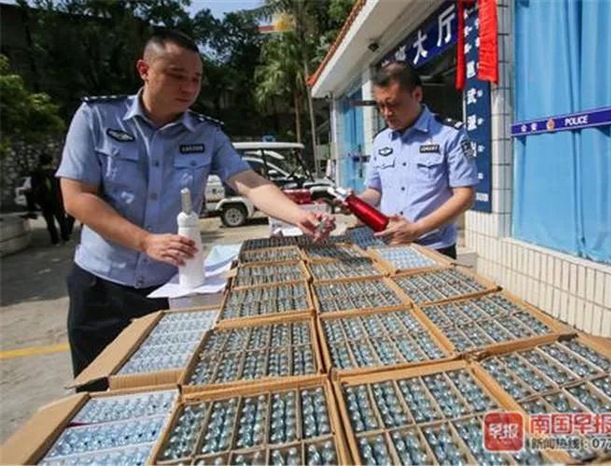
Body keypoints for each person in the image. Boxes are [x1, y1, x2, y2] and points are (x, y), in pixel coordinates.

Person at [57, 30, 335, 386]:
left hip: (168, 287)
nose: (189, 87)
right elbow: (77, 197)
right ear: (144, 70)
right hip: (101, 289)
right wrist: (145, 241)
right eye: (176, 75)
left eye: (196, 79)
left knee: (164, 386)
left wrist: (299, 216)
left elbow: (248, 181)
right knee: (96, 389)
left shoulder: (206, 133)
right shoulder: (97, 118)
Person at [354, 61, 478, 259]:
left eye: (393, 104)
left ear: (417, 95)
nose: (386, 113)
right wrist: (355, 202)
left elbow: (465, 196)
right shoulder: (381, 140)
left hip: (435, 249)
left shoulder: (449, 135)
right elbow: (375, 191)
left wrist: (417, 229)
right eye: (380, 106)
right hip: (389, 246)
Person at [31, 153, 72, 244]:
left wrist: (36, 201)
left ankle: (55, 240)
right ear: (50, 161)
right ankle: (66, 238)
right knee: (61, 220)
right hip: (56, 198)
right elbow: (61, 186)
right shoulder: (55, 172)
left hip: (44, 200)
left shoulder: (36, 173)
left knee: (50, 221)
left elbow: (34, 188)